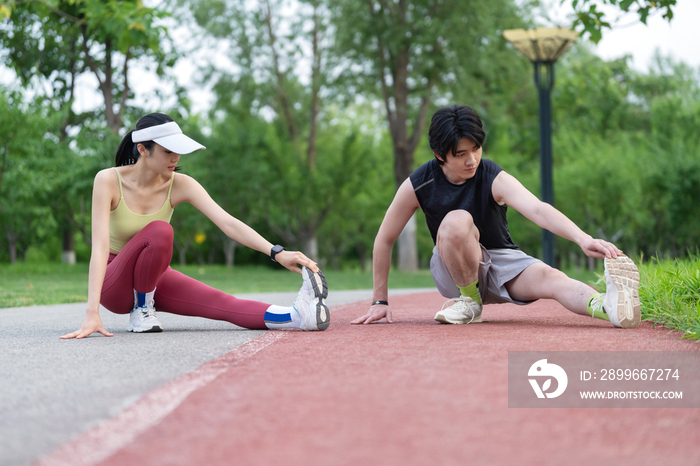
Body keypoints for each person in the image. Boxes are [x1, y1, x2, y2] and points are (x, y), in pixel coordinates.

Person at [352, 105, 640, 329]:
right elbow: (385, 238)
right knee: (456, 220)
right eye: (461, 154)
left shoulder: (491, 175)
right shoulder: (420, 183)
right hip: (452, 267)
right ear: (439, 154)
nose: (471, 160)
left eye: (476, 149)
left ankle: (608, 307)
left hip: (500, 261)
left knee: (552, 277)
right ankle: (469, 300)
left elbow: (537, 209)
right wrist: (380, 300)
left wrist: (583, 238)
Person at [61, 113, 329, 339]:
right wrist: (92, 312)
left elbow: (228, 223)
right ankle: (141, 311)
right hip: (115, 283)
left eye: (177, 150)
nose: (175, 158)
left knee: (223, 303)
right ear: (143, 149)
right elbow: (99, 248)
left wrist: (277, 252)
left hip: (152, 278)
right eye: (167, 151)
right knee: (160, 231)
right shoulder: (108, 180)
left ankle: (298, 316)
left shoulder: (180, 183)